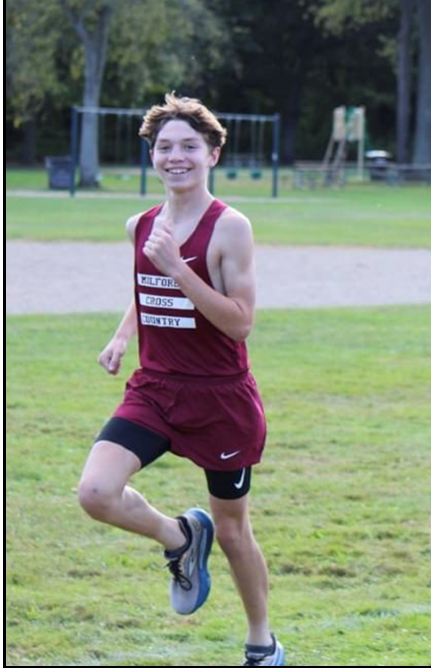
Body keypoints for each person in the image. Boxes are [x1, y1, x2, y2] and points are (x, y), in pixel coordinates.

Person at [76, 93, 284, 666]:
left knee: (235, 531)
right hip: (155, 388)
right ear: (152, 156)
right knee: (95, 493)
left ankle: (262, 641)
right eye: (164, 147)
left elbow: (240, 324)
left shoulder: (230, 228)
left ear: (213, 153)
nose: (176, 157)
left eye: (189, 146)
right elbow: (149, 289)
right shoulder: (140, 224)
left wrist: (178, 269)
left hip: (219, 397)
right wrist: (123, 333)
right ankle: (179, 538)